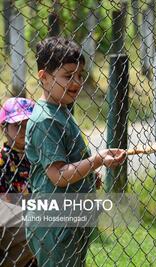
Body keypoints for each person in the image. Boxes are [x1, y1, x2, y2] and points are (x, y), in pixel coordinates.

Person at [25, 36, 126, 267]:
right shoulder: (46, 120)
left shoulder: (61, 112)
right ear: (44, 77)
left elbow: (69, 163)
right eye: (68, 75)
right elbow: (58, 175)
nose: (77, 82)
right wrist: (96, 160)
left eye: (80, 75)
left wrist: (87, 177)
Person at [0, 97, 36, 267]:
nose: (23, 130)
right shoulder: (2, 158)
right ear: (4, 127)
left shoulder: (38, 156)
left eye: (27, 124)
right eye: (17, 125)